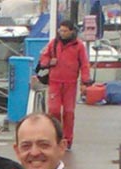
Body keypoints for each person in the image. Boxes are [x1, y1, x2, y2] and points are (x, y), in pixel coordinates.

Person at [38, 20, 91, 150]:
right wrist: (50, 61)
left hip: (70, 83)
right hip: (55, 82)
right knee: (54, 111)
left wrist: (85, 82)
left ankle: (67, 139)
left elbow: (84, 64)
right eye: (60, 31)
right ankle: (55, 137)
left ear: (72, 31)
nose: (62, 33)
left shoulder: (79, 46)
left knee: (69, 112)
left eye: (65, 31)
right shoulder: (54, 43)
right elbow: (43, 59)